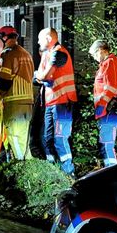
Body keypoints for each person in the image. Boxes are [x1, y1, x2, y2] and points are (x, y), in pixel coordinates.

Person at [33, 27, 78, 176]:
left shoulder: (59, 53)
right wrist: (41, 77)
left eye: (40, 38)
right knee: (47, 138)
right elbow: (37, 77)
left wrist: (41, 77)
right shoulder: (49, 54)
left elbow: (43, 76)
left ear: (48, 38)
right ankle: (53, 172)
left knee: (60, 138)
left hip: (63, 102)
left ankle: (68, 172)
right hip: (51, 102)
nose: (38, 42)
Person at [0, 26, 34, 160]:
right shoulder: (26, 53)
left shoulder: (8, 53)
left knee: (15, 137)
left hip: (14, 102)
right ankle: (30, 170)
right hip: (28, 102)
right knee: (24, 140)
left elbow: (4, 81)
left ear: (5, 38)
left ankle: (21, 167)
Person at [89, 39, 117, 167]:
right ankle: (111, 171)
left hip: (111, 108)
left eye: (95, 54)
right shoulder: (111, 63)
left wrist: (101, 105)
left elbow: (110, 87)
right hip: (114, 108)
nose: (95, 58)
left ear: (101, 50)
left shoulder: (109, 62)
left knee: (106, 144)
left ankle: (111, 173)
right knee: (107, 143)